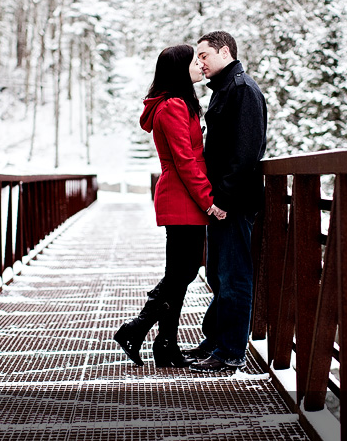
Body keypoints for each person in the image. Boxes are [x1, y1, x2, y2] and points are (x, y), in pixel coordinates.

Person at [113, 44, 227, 368]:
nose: (200, 65)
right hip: (183, 199)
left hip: (182, 198)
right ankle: (137, 330)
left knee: (180, 273)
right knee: (181, 273)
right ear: (179, 69)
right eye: (195, 60)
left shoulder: (176, 103)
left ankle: (164, 345)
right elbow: (185, 162)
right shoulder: (173, 106)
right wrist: (210, 202)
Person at [186, 31, 267, 373]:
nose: (200, 62)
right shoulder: (225, 89)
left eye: (204, 55)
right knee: (219, 275)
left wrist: (223, 199)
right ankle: (217, 341)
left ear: (224, 52)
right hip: (221, 200)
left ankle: (231, 350)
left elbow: (246, 152)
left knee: (234, 276)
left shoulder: (242, 90)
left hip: (232, 201)